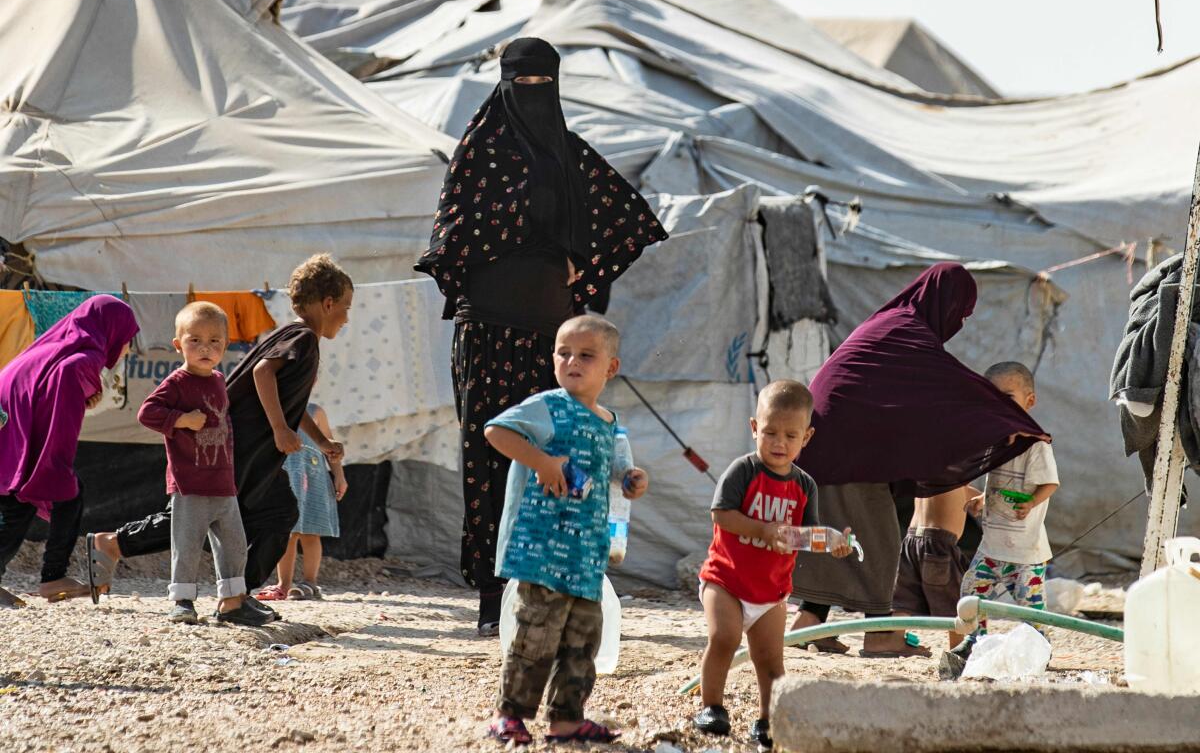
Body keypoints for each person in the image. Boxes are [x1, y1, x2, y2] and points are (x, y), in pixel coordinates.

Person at [414, 36, 666, 635]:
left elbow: (627, 220)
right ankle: (489, 594)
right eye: (520, 83)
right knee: (489, 454)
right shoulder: (478, 151)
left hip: (550, 342)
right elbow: (452, 235)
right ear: (503, 83)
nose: (531, 95)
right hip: (488, 333)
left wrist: (577, 261)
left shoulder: (567, 154)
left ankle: (548, 585)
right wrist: (526, 242)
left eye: (541, 84)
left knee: (558, 451)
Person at [789, 263, 1049, 657]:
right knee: (881, 539)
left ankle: (808, 625)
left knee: (847, 538)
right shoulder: (906, 332)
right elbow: (951, 389)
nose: (958, 322)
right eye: (960, 311)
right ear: (943, 301)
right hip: (843, 452)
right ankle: (881, 636)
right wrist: (1008, 420)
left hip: (826, 448)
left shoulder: (894, 326)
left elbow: (908, 406)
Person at [87, 255, 352, 615]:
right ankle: (115, 544)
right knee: (197, 513)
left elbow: (293, 404)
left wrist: (319, 442)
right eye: (346, 308)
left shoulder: (294, 336)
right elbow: (262, 373)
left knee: (277, 513)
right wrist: (278, 429)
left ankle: (236, 596)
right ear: (328, 303)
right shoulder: (303, 337)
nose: (346, 318)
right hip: (238, 445)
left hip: (256, 451)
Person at [481, 315, 648, 746]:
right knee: (535, 633)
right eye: (563, 352)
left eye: (586, 355)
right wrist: (543, 462)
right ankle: (511, 715)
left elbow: (611, 471)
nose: (572, 361)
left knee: (582, 640)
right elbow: (497, 430)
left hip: (585, 552)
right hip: (541, 548)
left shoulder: (608, 421)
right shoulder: (548, 406)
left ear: (611, 368)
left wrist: (630, 479)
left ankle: (567, 719)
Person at [694, 380, 851, 750]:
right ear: (753, 428)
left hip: (771, 590)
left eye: (790, 435)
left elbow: (805, 534)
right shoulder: (743, 471)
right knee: (724, 638)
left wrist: (833, 543)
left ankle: (767, 719)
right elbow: (721, 516)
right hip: (726, 578)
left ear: (806, 437)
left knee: (771, 661)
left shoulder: (804, 486)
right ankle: (711, 706)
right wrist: (762, 530)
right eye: (769, 433)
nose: (779, 443)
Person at [0, 296, 138, 602]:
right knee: (28, 496)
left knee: (49, 496)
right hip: (19, 433)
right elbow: (61, 417)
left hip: (10, 427)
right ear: (111, 330)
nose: (128, 348)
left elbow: (46, 390)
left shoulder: (60, 348)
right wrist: (54, 464)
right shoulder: (84, 359)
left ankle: (54, 576)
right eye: (128, 339)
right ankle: (53, 576)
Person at [138, 302, 263, 626]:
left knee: (234, 545)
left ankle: (233, 601)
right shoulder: (177, 382)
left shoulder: (219, 380)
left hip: (223, 481)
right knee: (188, 545)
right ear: (178, 344)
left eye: (214, 341)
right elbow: (147, 413)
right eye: (195, 340)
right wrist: (181, 419)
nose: (205, 348)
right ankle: (182, 601)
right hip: (190, 482)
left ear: (226, 344)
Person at [947, 361, 1059, 670]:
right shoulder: (996, 442)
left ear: (1029, 401)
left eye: (1007, 397)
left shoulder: (1035, 444)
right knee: (971, 592)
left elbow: (1050, 483)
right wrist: (984, 498)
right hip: (992, 546)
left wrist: (1031, 503)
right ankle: (977, 643)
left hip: (1025, 551)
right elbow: (998, 481)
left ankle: (1041, 650)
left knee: (1030, 609)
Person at [256, 402, 348, 601]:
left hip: (313, 477)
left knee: (311, 532)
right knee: (287, 532)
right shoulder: (276, 409)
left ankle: (310, 582)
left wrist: (339, 475)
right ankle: (284, 584)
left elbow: (329, 446)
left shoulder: (316, 412)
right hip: (285, 477)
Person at [891, 487, 972, 650]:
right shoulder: (956, 467)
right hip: (939, 542)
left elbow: (963, 490)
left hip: (912, 539)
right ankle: (957, 648)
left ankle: (895, 638)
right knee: (953, 603)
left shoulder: (930, 468)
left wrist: (982, 498)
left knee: (904, 599)